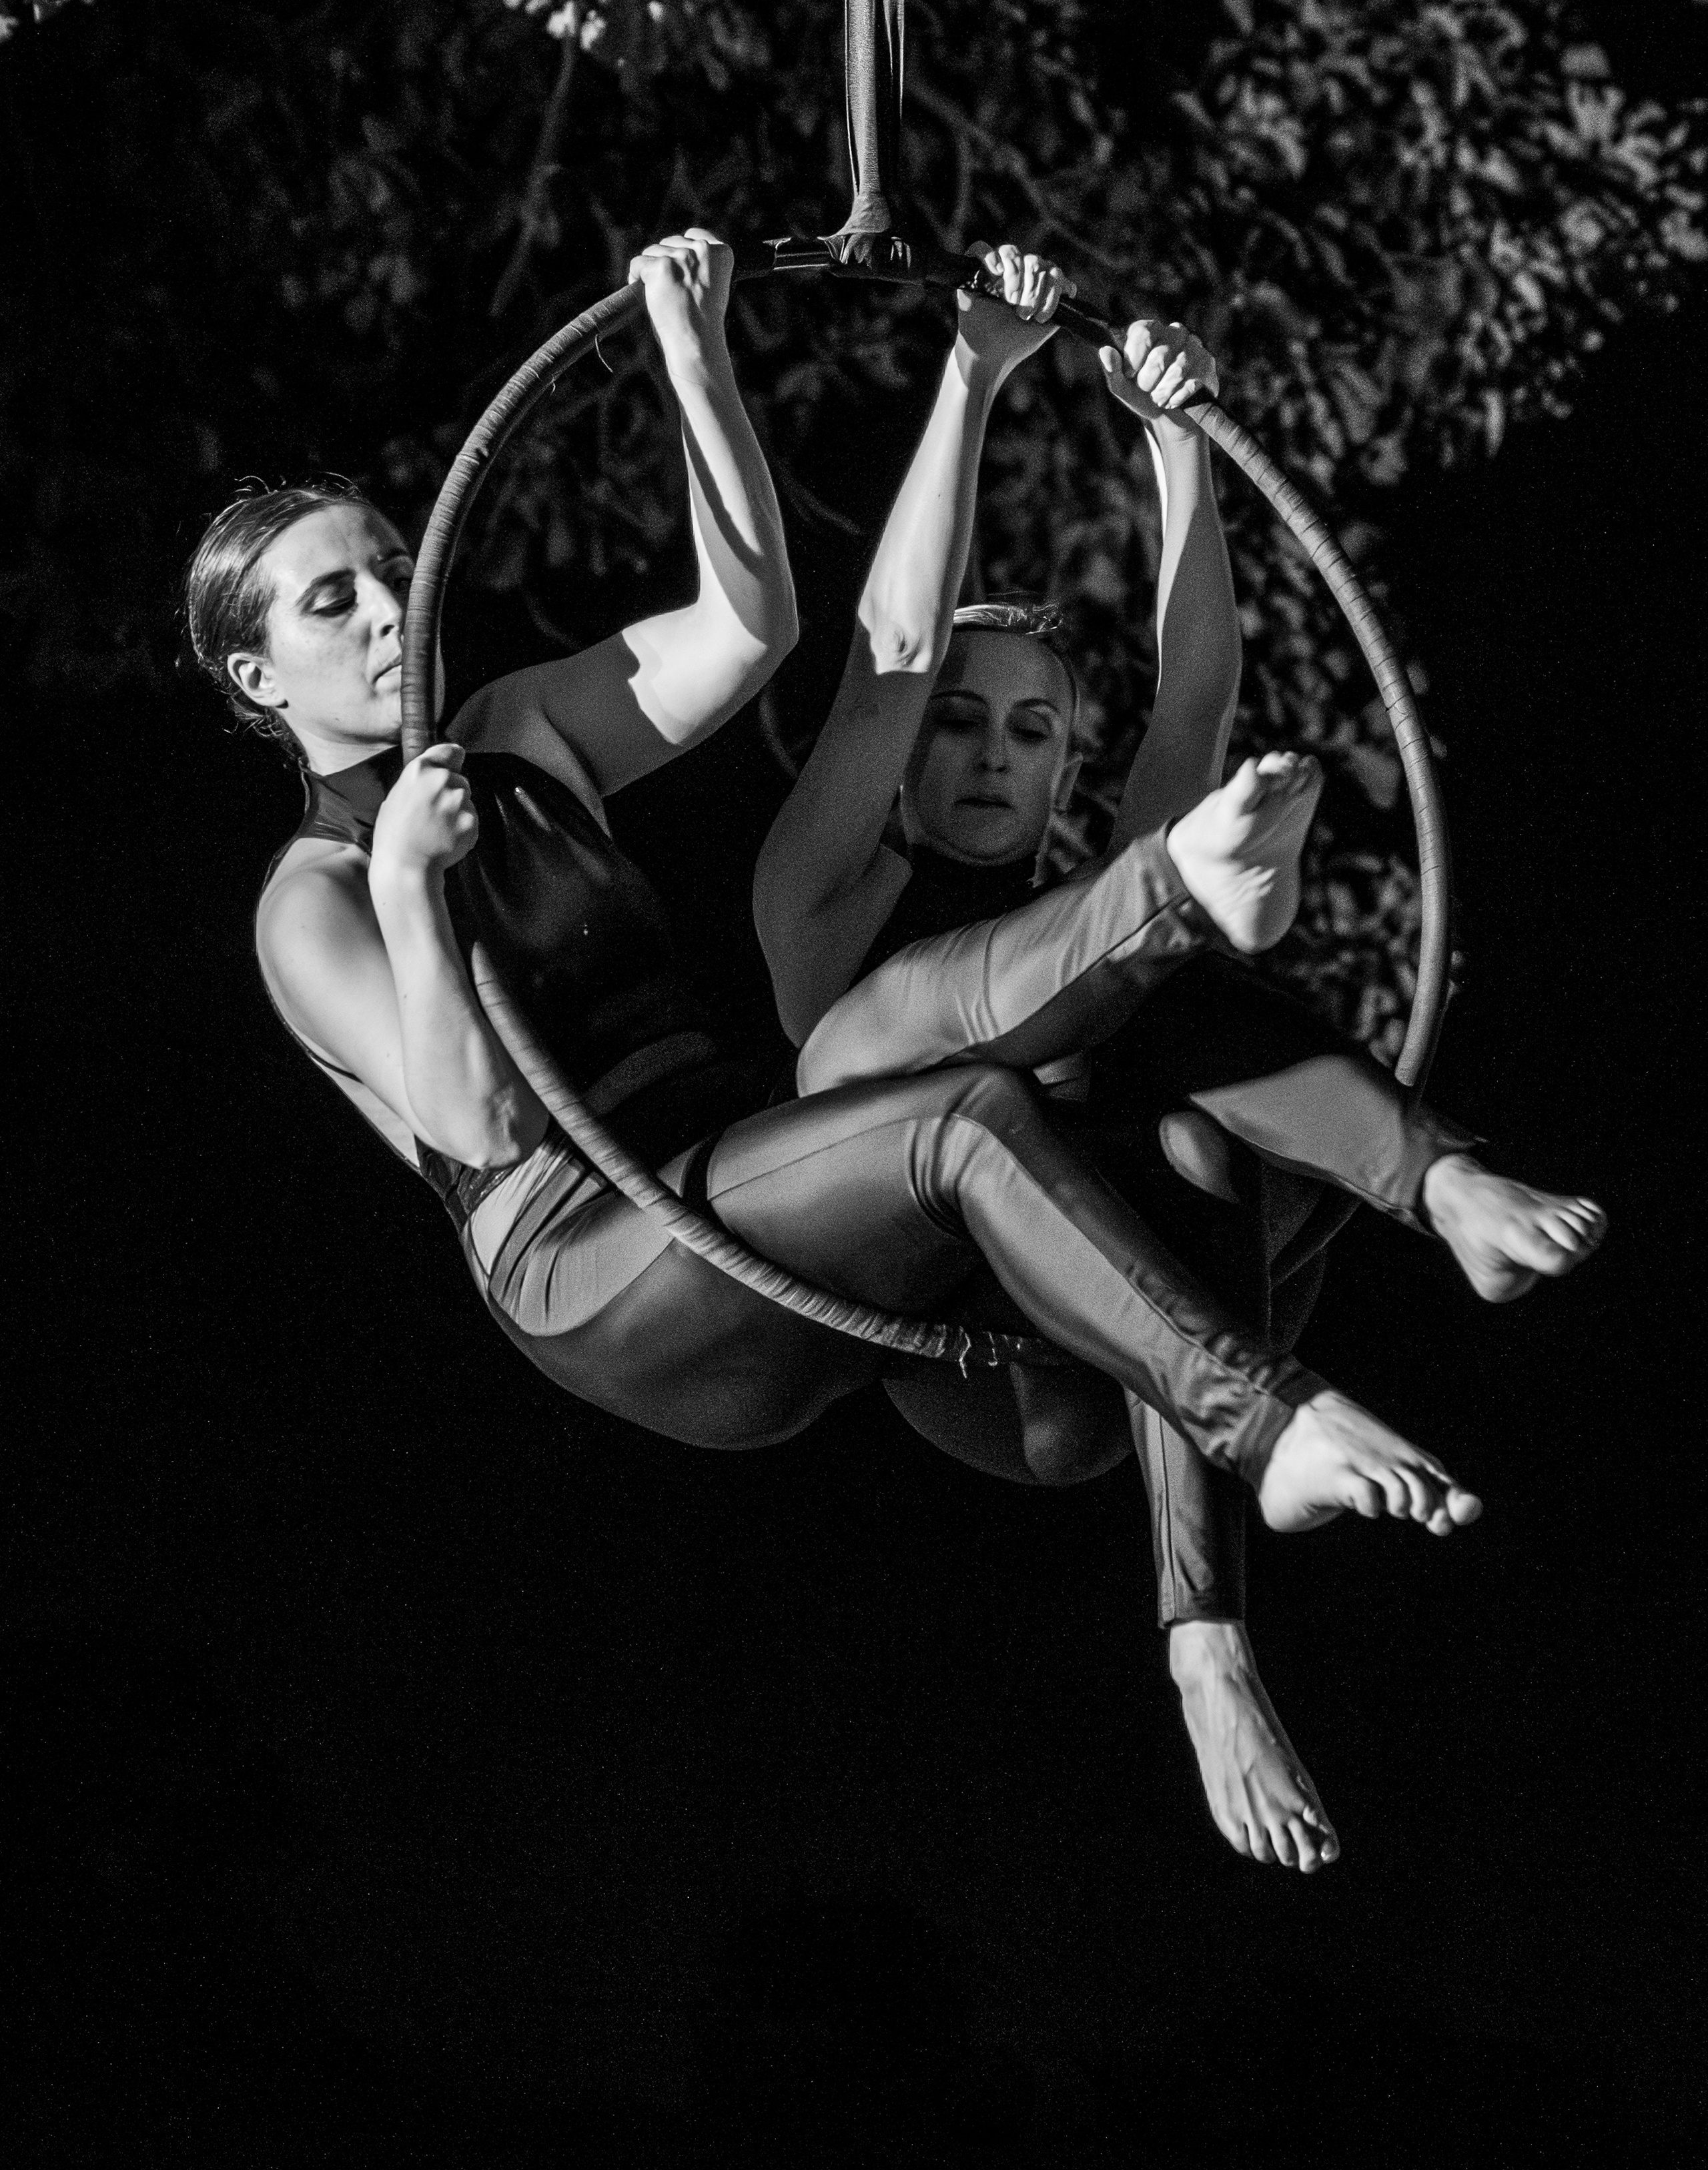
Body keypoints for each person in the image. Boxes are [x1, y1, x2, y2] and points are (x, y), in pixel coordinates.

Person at [187, 229, 1486, 1878]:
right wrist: (403, 886)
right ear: (259, 674)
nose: (392, 608)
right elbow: (470, 1111)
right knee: (962, 1112)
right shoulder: (309, 898)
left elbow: (755, 625)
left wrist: (692, 353)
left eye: (393, 565)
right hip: (595, 1261)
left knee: (1159, 1129)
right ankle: (1258, 1436)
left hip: (741, 1176)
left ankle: (1334, 1298)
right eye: (336, 600)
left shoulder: (512, 726)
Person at [753, 242, 1605, 1868]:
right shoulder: (828, 881)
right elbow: (888, 653)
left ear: (1068, 761)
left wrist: (1176, 447)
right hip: (942, 1317)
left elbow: (1193, 693)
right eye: (964, 722)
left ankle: (1212, 1627)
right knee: (1054, 986)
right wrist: (976, 370)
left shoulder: (1088, 894)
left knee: (1164, 1077)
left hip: (1103, 1365)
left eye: (1033, 731)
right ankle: (1395, 1146)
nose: (991, 748)